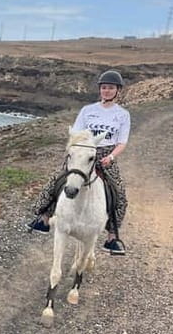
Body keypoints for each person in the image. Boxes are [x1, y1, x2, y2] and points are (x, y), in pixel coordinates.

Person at [27, 69, 131, 254]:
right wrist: (75, 152)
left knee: (119, 193)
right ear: (100, 90)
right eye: (104, 87)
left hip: (107, 153)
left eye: (111, 88)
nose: (106, 91)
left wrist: (111, 157)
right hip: (83, 151)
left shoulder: (122, 115)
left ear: (117, 91)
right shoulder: (88, 111)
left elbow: (122, 142)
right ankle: (43, 217)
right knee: (56, 180)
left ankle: (112, 236)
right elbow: (75, 134)